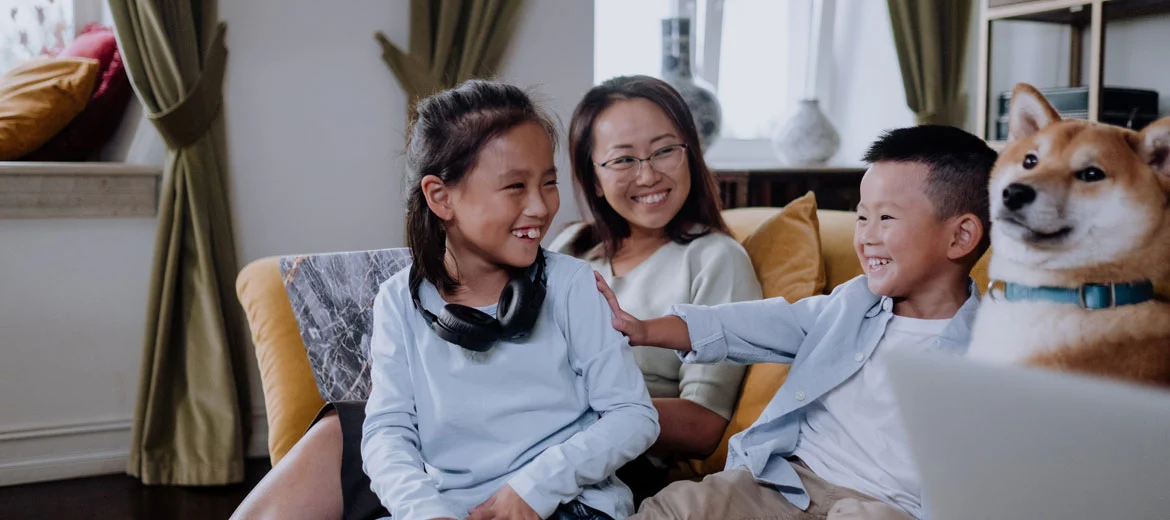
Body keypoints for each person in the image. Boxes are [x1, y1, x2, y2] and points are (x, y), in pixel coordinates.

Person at [235, 80, 658, 520]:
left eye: (548, 183)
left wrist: (533, 490)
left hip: (571, 504)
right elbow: (387, 432)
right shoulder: (398, 300)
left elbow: (633, 415)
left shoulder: (572, 285)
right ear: (440, 197)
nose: (540, 206)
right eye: (515, 186)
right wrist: (424, 511)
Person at [597, 126, 997, 520]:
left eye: (886, 217)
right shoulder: (852, 305)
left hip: (886, 507)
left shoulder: (992, 352)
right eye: (862, 217)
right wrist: (646, 330)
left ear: (960, 237)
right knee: (682, 505)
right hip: (786, 485)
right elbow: (750, 325)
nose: (866, 236)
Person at [549, 75, 761, 500]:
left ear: (689, 155)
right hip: (529, 438)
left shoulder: (715, 258)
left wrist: (568, 416)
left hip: (621, 464)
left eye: (664, 151)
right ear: (594, 179)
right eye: (624, 160)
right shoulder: (570, 246)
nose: (648, 175)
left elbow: (702, 424)